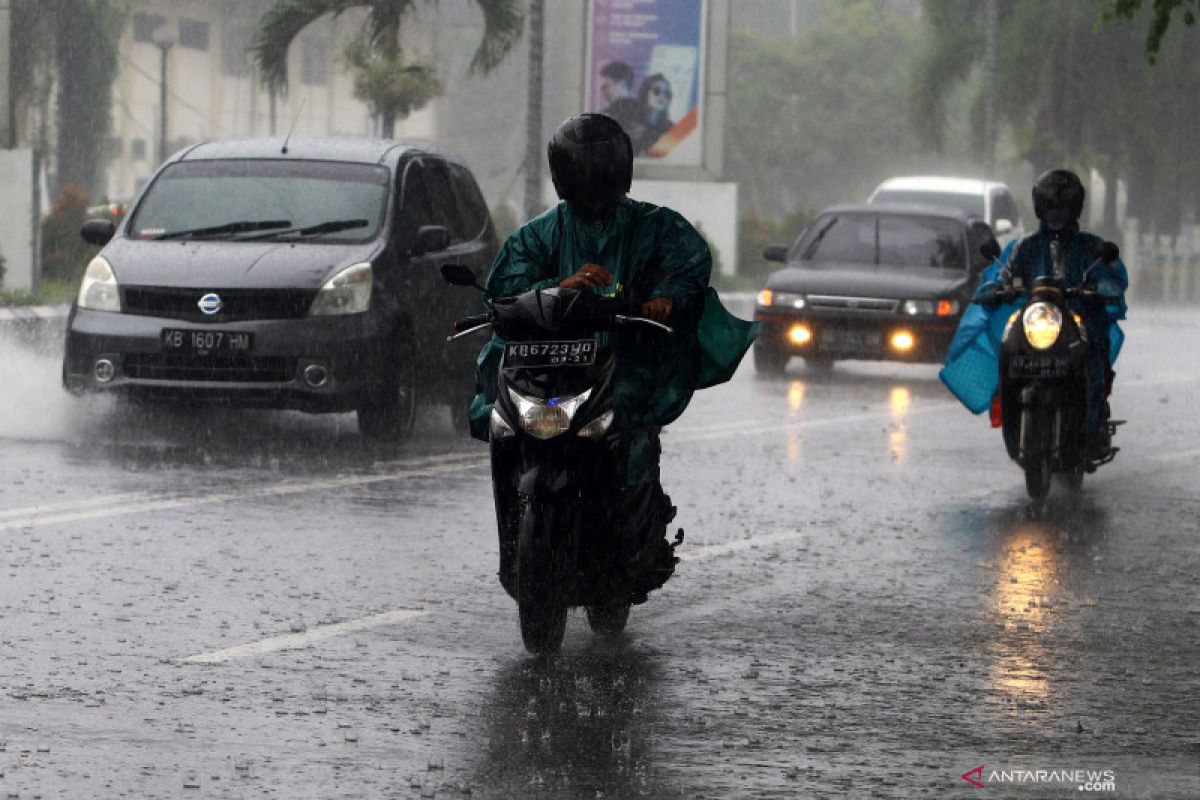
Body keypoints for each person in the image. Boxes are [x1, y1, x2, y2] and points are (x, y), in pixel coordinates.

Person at [468, 113, 757, 599]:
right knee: (504, 417)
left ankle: (634, 535)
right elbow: (506, 290)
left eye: (601, 174)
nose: (593, 186)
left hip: (623, 361)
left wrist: (665, 298)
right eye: (584, 174)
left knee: (630, 428)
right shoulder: (539, 235)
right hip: (545, 366)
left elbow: (687, 264)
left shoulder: (654, 227)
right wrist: (560, 287)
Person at [945, 169, 1128, 455]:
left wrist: (1101, 288)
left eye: (1063, 206)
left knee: (1093, 356)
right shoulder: (1024, 247)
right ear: (1040, 206)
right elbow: (1002, 276)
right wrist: (995, 289)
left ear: (1076, 207)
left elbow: (1114, 276)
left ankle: (1091, 426)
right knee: (1010, 346)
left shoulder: (1092, 247)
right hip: (1038, 320)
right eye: (1051, 205)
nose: (1057, 212)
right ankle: (1011, 411)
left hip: (1078, 320)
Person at [633, 73, 674, 155]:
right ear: (645, 92)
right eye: (657, 91)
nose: (662, 97)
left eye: (667, 94)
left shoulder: (672, 129)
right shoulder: (633, 123)